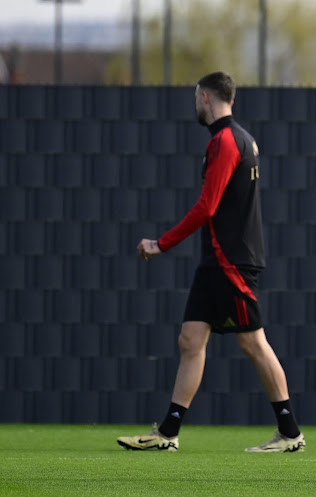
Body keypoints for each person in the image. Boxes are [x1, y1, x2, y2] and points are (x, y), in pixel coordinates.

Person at [117, 71, 305, 453]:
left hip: (230, 261)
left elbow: (208, 206)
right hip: (217, 260)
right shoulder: (244, 139)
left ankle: (290, 433)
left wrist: (161, 244)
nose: (195, 105)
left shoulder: (225, 141)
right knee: (190, 340)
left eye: (194, 98)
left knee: (252, 343)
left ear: (205, 97)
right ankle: (168, 433)